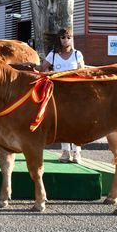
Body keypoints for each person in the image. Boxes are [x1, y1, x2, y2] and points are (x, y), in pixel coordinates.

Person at [38, 27, 85, 163]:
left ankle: (77, 153)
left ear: (71, 39)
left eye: (68, 37)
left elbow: (82, 72)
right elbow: (43, 68)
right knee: (62, 123)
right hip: (58, 95)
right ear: (59, 39)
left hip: (75, 94)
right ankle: (65, 152)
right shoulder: (53, 54)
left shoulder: (77, 54)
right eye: (63, 37)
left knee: (77, 123)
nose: (65, 40)